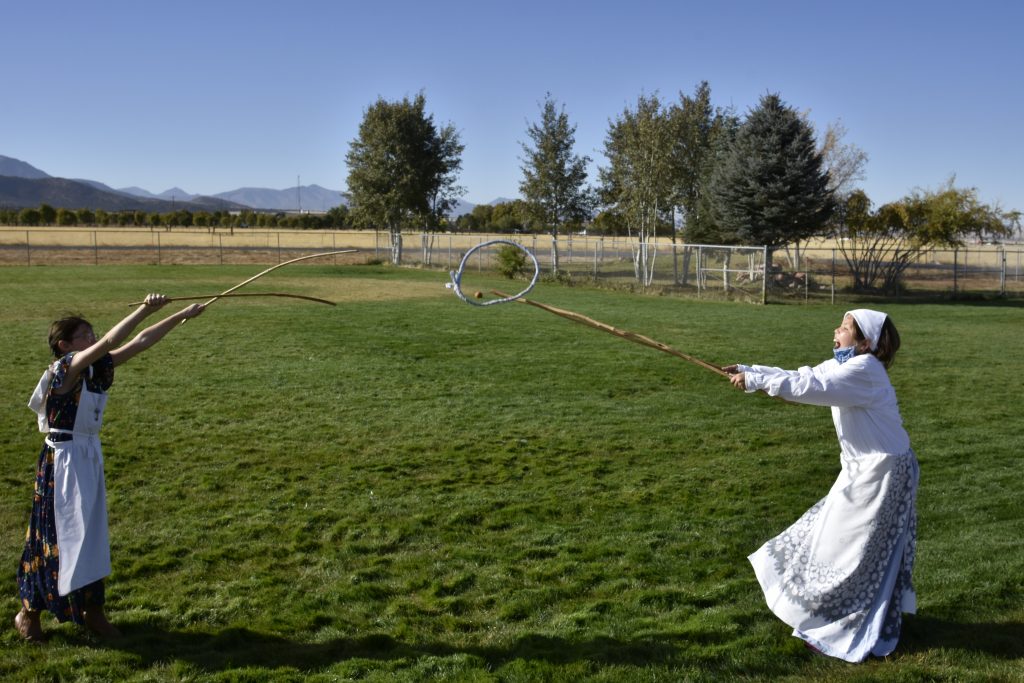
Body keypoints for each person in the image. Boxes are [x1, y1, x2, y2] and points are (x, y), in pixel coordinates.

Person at [723, 309, 918, 663]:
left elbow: (815, 388)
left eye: (845, 328)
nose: (836, 330)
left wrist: (755, 381)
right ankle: (829, 618)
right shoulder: (847, 364)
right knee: (831, 541)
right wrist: (750, 371)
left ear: (866, 342)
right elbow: (805, 375)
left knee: (852, 552)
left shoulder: (864, 371)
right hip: (864, 469)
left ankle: (843, 625)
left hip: (884, 473)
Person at [14, 294, 205, 641]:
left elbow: (140, 342)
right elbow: (111, 341)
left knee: (90, 538)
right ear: (65, 345)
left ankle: (92, 611)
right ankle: (29, 613)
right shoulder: (66, 370)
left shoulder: (96, 368)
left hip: (87, 457)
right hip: (63, 462)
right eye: (84, 335)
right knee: (53, 537)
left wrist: (181, 315)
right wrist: (147, 309)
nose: (92, 338)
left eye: (91, 334)